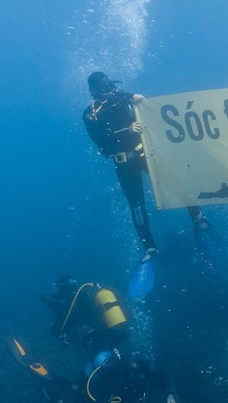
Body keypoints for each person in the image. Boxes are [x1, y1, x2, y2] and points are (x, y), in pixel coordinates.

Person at [82, 71, 215, 263]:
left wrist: (139, 100)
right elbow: (102, 145)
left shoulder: (124, 99)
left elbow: (152, 115)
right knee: (136, 205)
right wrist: (124, 132)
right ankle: (149, 247)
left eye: (108, 85)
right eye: (102, 88)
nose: (107, 91)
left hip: (146, 155)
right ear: (93, 90)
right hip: (124, 162)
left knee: (177, 182)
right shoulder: (91, 114)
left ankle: (198, 217)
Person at [40, 275, 128, 357]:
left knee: (102, 365)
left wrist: (48, 302)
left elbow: (57, 329)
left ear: (61, 288)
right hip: (109, 331)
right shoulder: (82, 296)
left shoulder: (71, 302)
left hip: (97, 339)